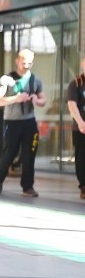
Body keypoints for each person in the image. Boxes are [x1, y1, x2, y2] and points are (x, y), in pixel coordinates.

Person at [0, 49, 45, 197]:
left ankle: (27, 186)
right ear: (17, 61)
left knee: (29, 154)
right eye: (23, 61)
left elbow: (43, 100)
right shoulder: (7, 79)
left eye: (29, 62)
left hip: (29, 122)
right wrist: (15, 98)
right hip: (12, 122)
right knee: (10, 152)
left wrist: (36, 100)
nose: (26, 65)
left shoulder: (36, 80)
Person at [64, 57, 85, 200]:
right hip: (81, 128)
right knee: (82, 158)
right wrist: (80, 122)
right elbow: (72, 105)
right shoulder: (76, 84)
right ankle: (83, 186)